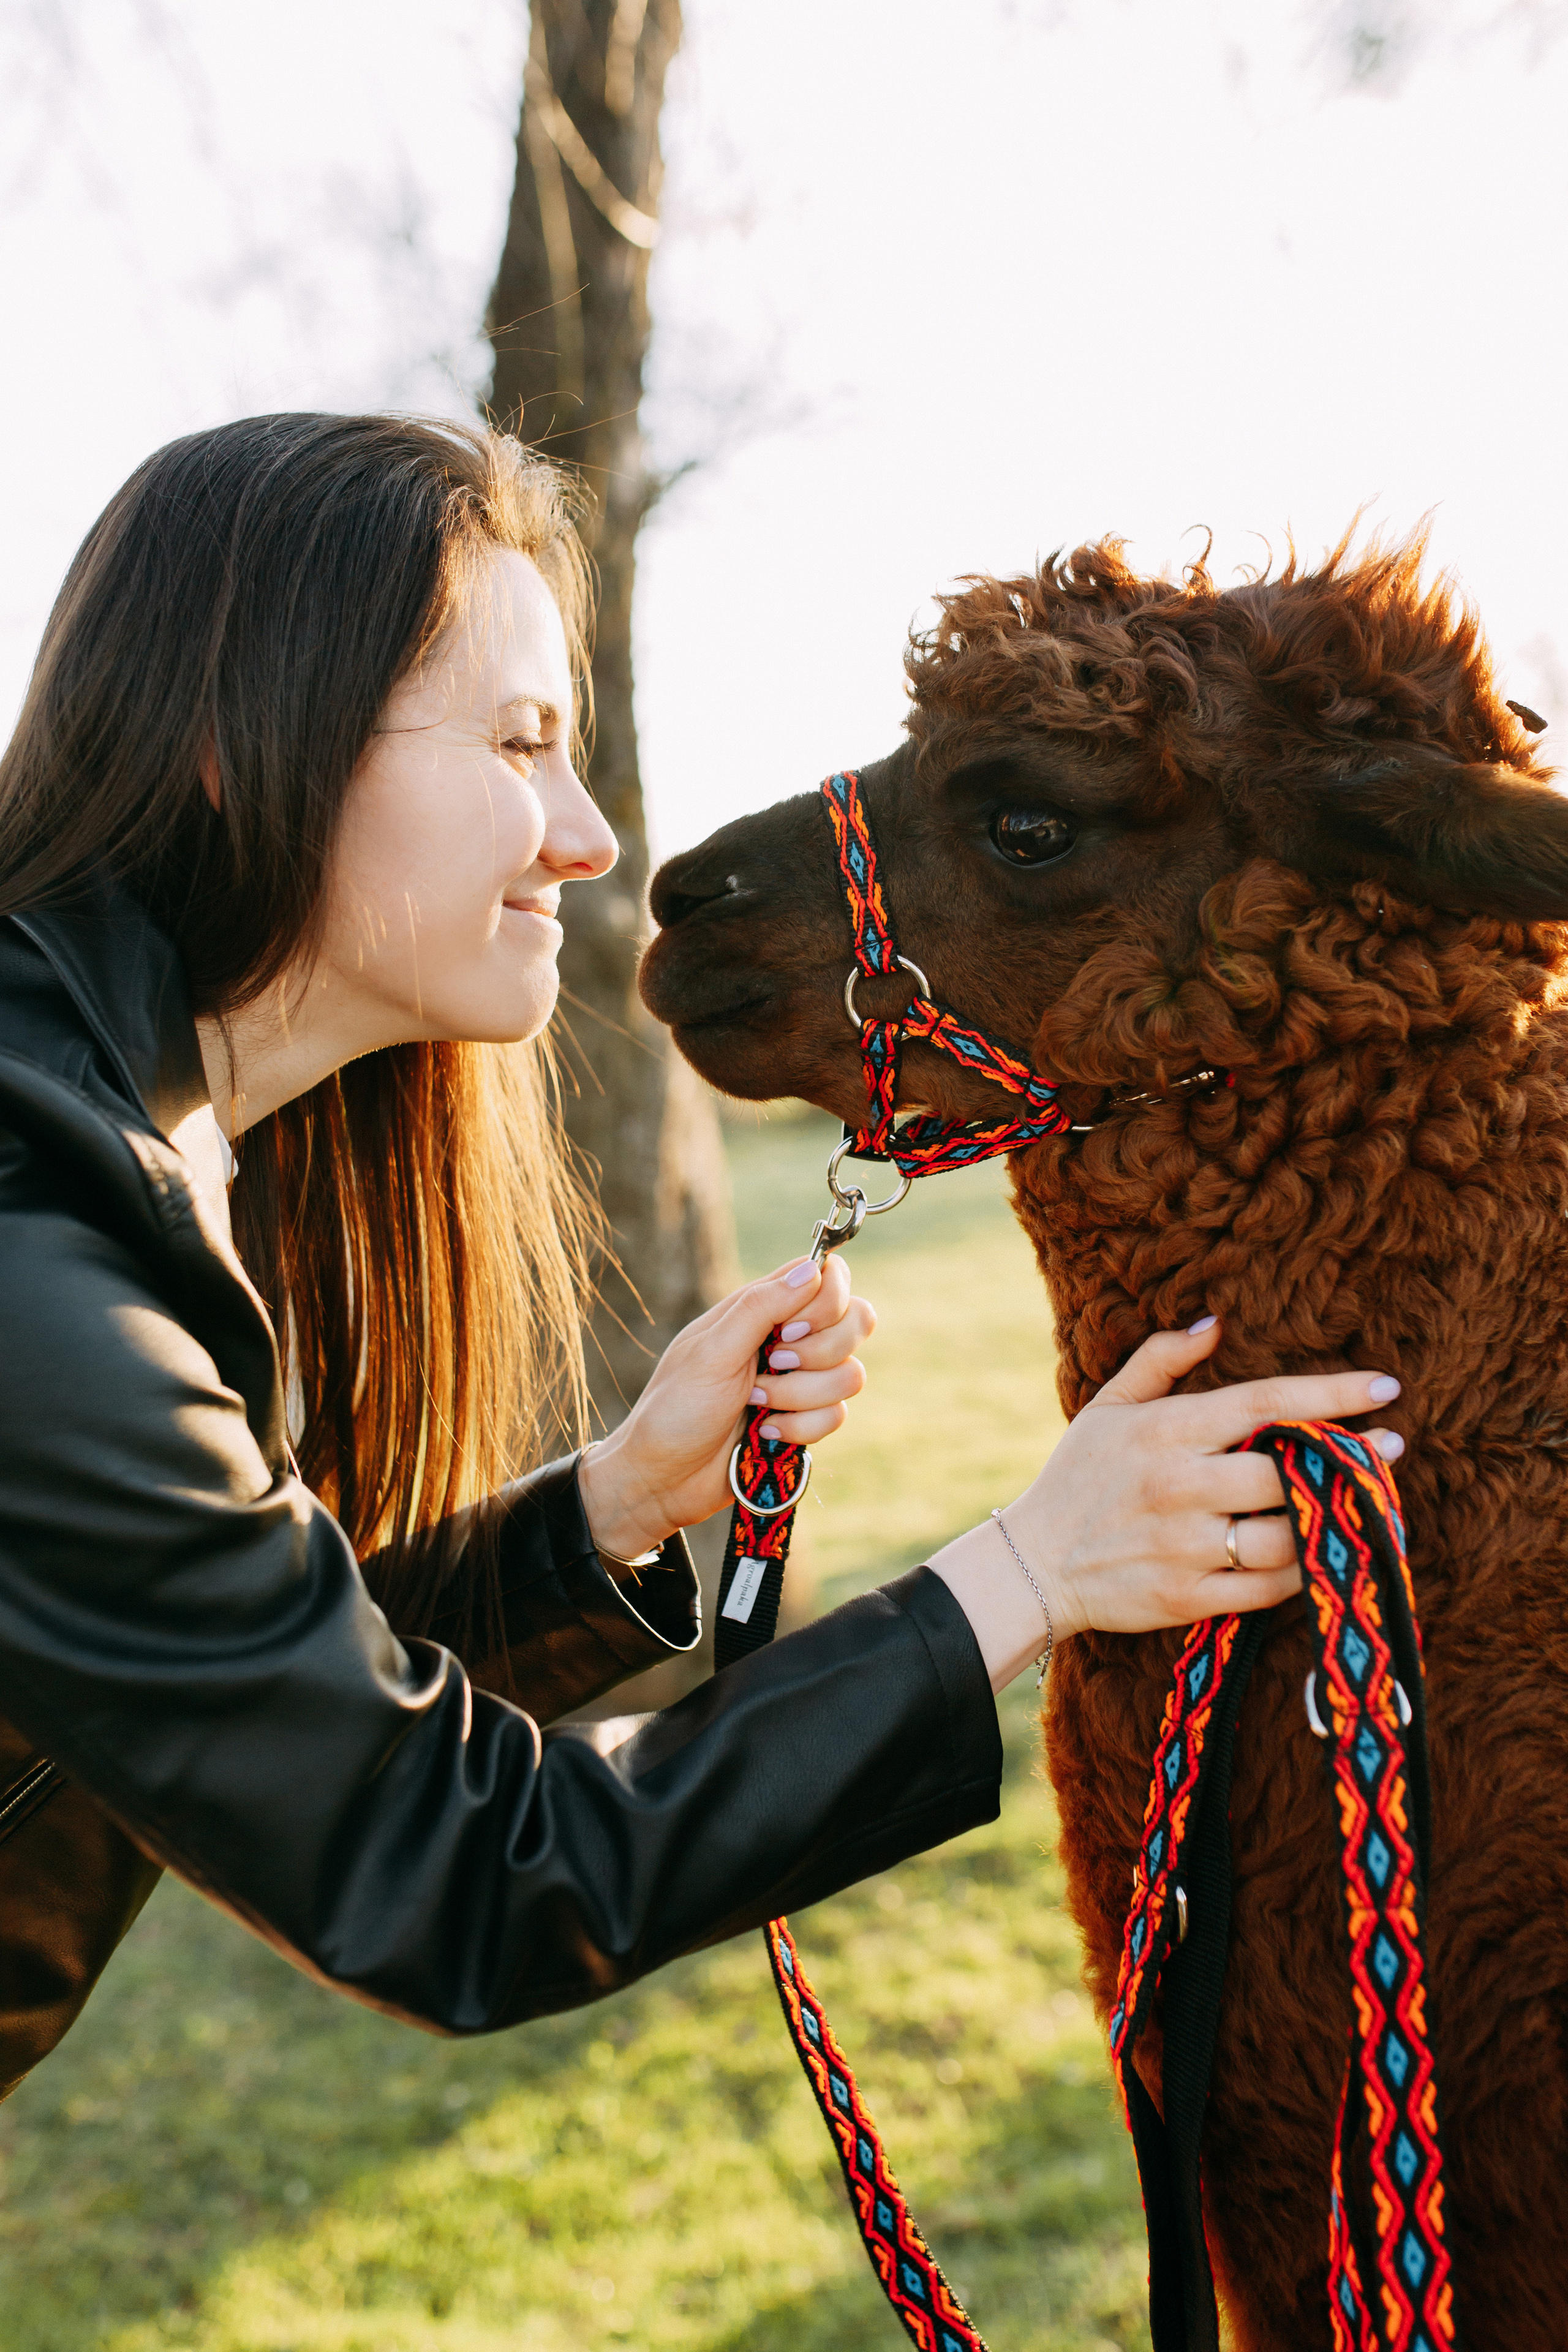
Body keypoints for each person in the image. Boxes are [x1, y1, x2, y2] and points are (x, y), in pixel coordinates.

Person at [0, 413, 1403, 2104]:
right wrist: (1033, 1574)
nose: (587, 839)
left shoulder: (112, 1168)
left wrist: (610, 1515)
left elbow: (247, 1700)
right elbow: (454, 1876)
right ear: (243, 741)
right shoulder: (40, 1266)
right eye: (519, 744)